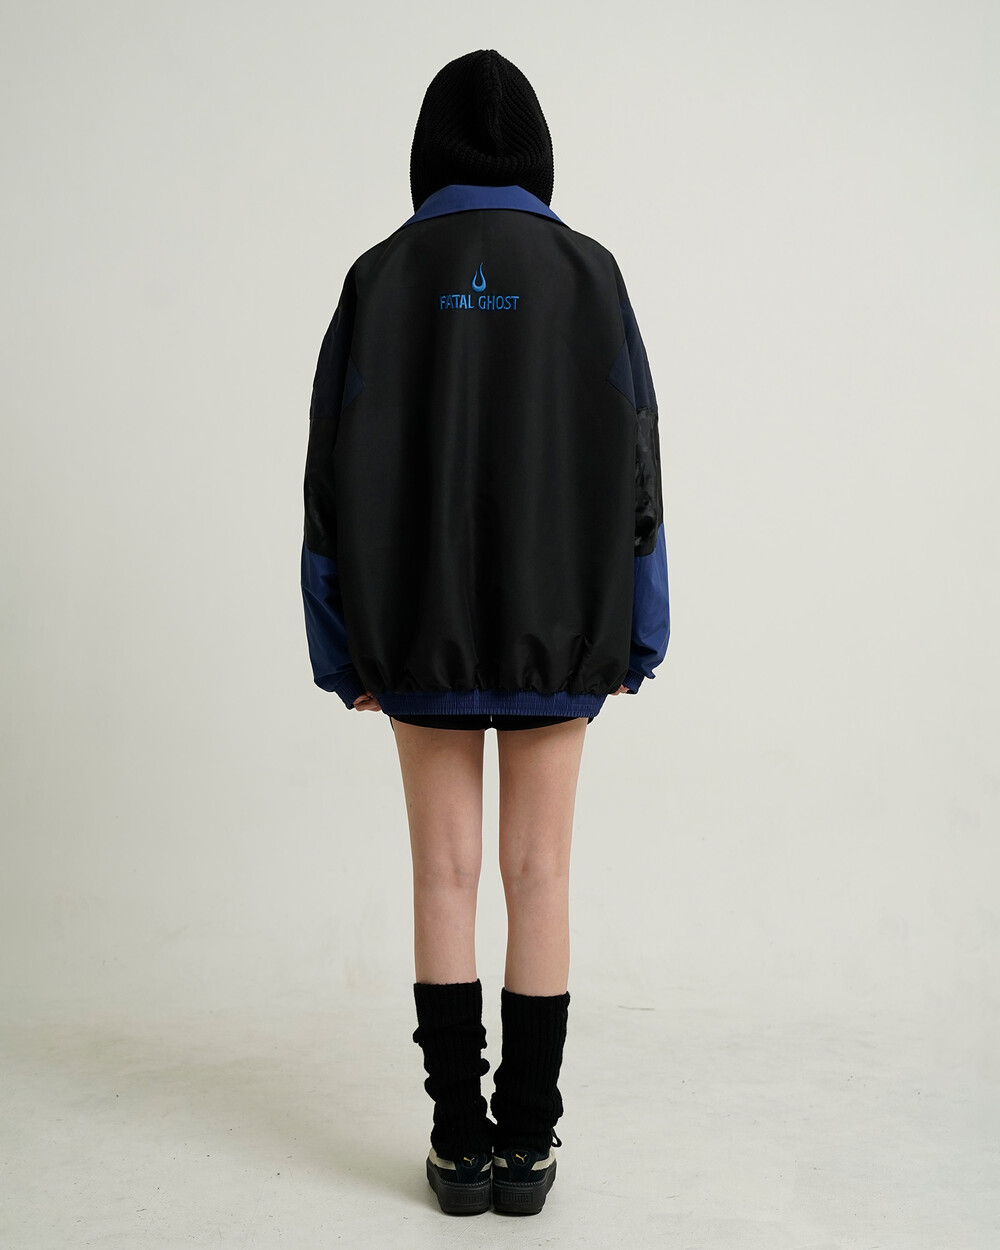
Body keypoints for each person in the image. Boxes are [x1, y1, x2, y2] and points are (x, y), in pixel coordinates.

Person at [301, 48, 670, 1216]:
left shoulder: (377, 276)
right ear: (538, 158)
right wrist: (639, 630)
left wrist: (340, 644)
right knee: (540, 869)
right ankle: (530, 1144)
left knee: (445, 870)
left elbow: (327, 477)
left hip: (415, 621)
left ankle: (459, 1146)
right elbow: (639, 466)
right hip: (563, 620)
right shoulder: (590, 272)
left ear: (427, 155)